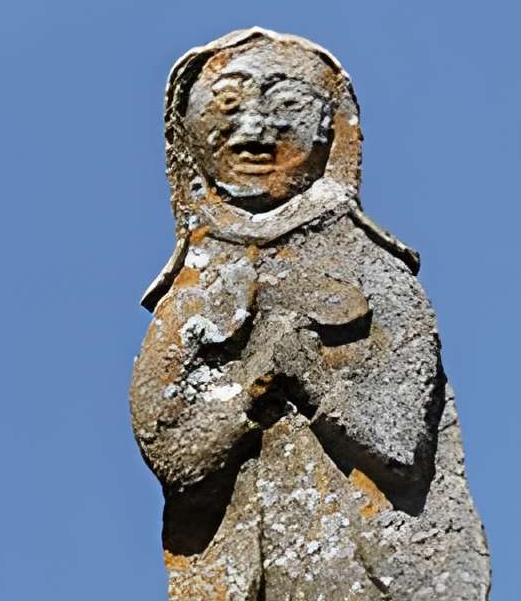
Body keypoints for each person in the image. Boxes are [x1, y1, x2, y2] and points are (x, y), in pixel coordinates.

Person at [131, 31, 489, 601]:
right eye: (226, 103)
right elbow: (172, 447)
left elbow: (400, 445)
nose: (252, 132)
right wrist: (251, 396)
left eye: (288, 105)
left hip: (357, 569)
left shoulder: (371, 271)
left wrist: (313, 382)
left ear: (333, 127)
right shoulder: (195, 289)